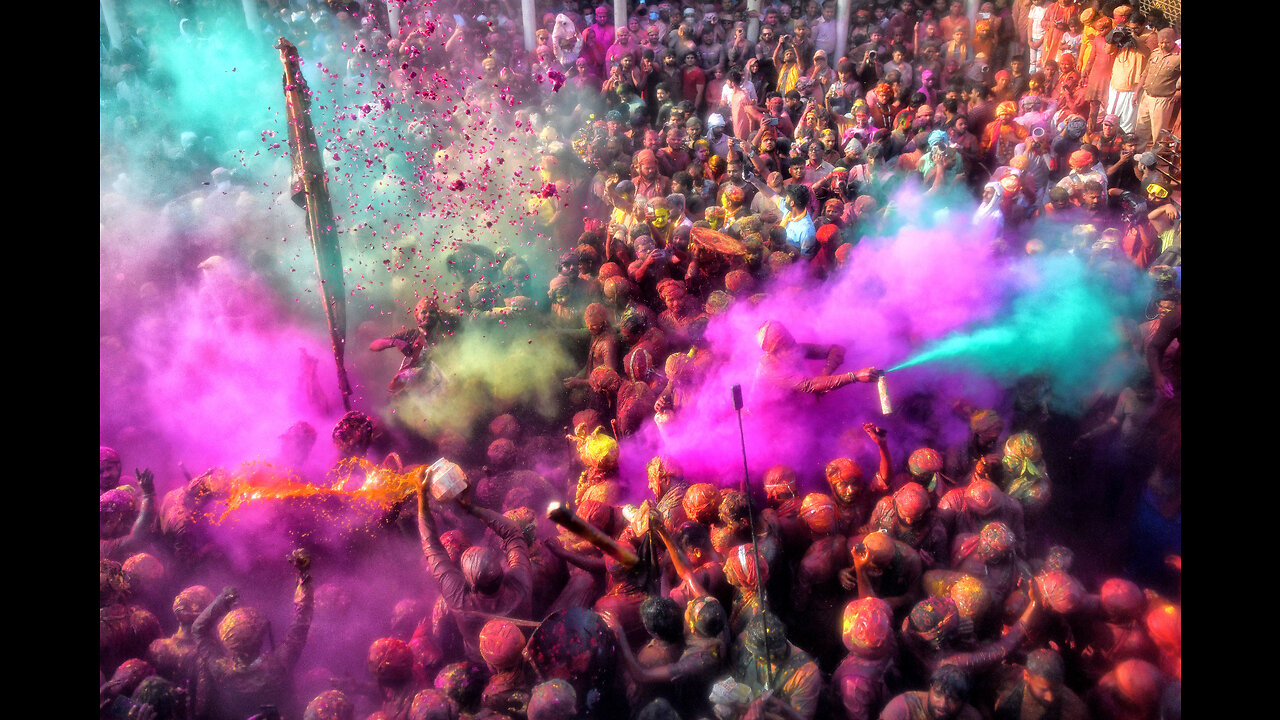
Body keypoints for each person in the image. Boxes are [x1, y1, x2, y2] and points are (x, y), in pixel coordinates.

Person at [192, 550, 315, 720]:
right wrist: (304, 576)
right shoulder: (279, 665)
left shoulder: (221, 669)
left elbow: (198, 629)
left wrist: (222, 600)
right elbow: (301, 621)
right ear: (260, 637)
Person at [880, 664, 983, 720]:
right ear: (930, 688)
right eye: (938, 694)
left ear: (964, 701)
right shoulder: (902, 709)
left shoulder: (970, 717)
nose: (943, 704)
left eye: (953, 698)